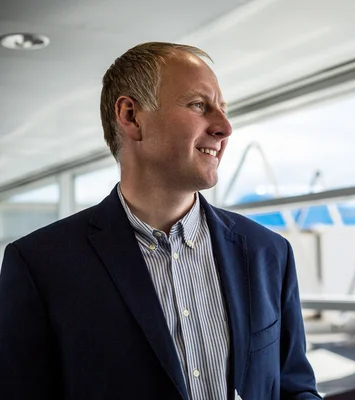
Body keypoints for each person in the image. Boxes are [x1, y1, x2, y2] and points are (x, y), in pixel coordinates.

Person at [0, 42, 321, 400]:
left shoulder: (268, 252)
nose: (224, 127)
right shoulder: (39, 265)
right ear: (131, 116)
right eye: (199, 105)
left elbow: (295, 389)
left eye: (223, 109)